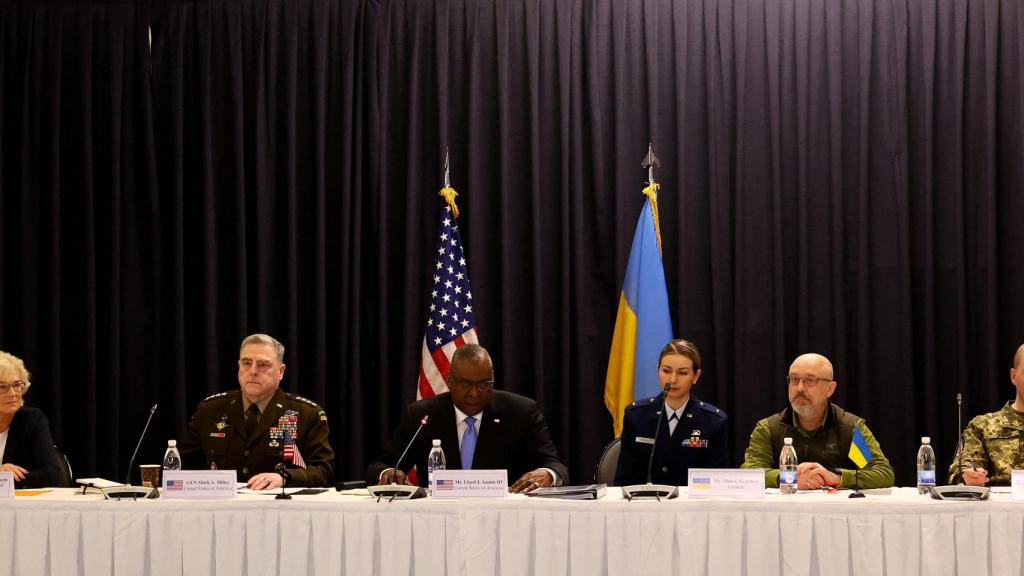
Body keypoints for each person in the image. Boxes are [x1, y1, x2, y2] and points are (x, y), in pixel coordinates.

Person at [366, 344, 568, 493]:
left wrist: (547, 474)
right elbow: (379, 466)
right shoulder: (422, 416)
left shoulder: (521, 412)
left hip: (504, 520)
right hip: (439, 519)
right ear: (449, 381)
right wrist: (388, 473)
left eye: (483, 384)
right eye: (465, 384)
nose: (474, 394)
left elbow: (556, 466)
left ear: (492, 379)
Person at [178, 334, 334, 488]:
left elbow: (323, 472)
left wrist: (285, 477)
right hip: (219, 509)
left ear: (281, 371)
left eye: (263, 365)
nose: (253, 371)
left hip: (279, 509)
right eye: (246, 363)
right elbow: (179, 466)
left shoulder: (305, 414)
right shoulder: (210, 411)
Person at [741, 353, 894, 489]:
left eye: (810, 380)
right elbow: (749, 473)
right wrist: (790, 478)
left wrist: (836, 478)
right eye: (794, 379)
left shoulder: (850, 428)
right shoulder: (769, 428)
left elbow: (882, 473)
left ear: (830, 389)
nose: (800, 388)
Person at [614, 339, 728, 486]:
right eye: (666, 371)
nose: (673, 380)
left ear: (696, 376)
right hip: (644, 504)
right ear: (658, 370)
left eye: (683, 373)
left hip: (692, 506)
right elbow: (623, 480)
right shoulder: (636, 415)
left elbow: (716, 484)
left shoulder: (713, 421)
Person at [947, 343, 1024, 486]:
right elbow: (958, 474)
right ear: (1014, 376)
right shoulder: (982, 427)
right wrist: (969, 477)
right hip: (999, 507)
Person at [0, 351, 64, 488]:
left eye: (16, 385)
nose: (12, 393)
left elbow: (51, 474)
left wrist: (4, 479)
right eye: (2, 387)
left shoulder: (32, 420)